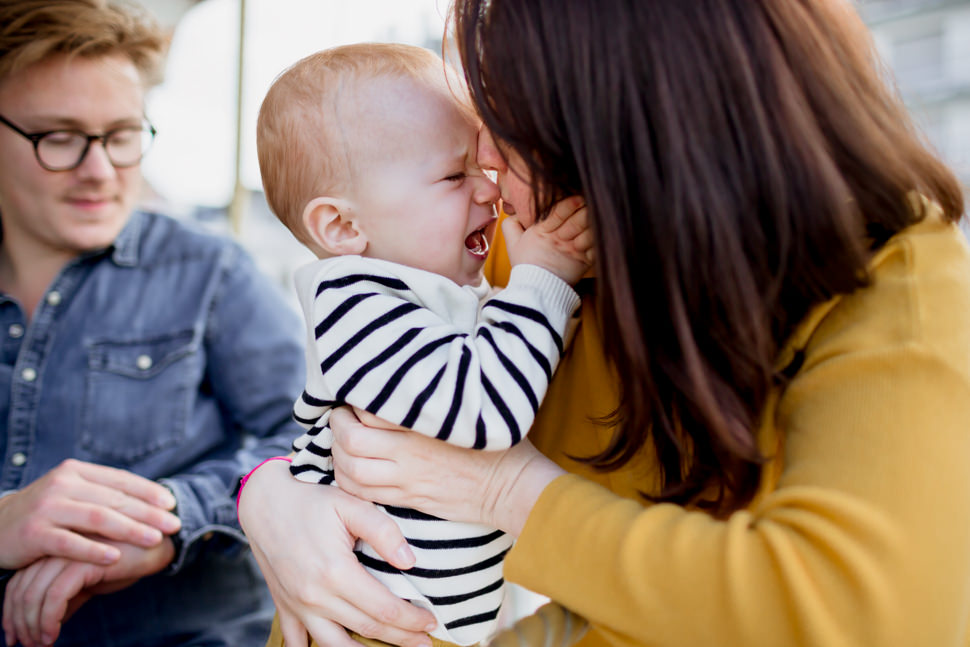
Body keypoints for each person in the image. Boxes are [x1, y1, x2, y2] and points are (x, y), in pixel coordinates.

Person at [238, 0, 970, 646]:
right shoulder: (530, 258)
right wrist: (270, 497)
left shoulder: (896, 296)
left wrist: (507, 492)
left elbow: (855, 619)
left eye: (505, 124)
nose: (486, 165)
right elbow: (366, 412)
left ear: (623, 140)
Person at [254, 42, 591, 646]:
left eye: (483, 171)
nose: (487, 190)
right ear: (344, 227)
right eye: (454, 174)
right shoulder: (355, 308)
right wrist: (546, 278)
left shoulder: (433, 293)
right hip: (365, 626)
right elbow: (489, 410)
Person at [0, 1, 306, 646]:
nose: (100, 171)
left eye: (120, 135)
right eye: (58, 137)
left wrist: (171, 521)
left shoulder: (211, 271)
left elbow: (309, 437)